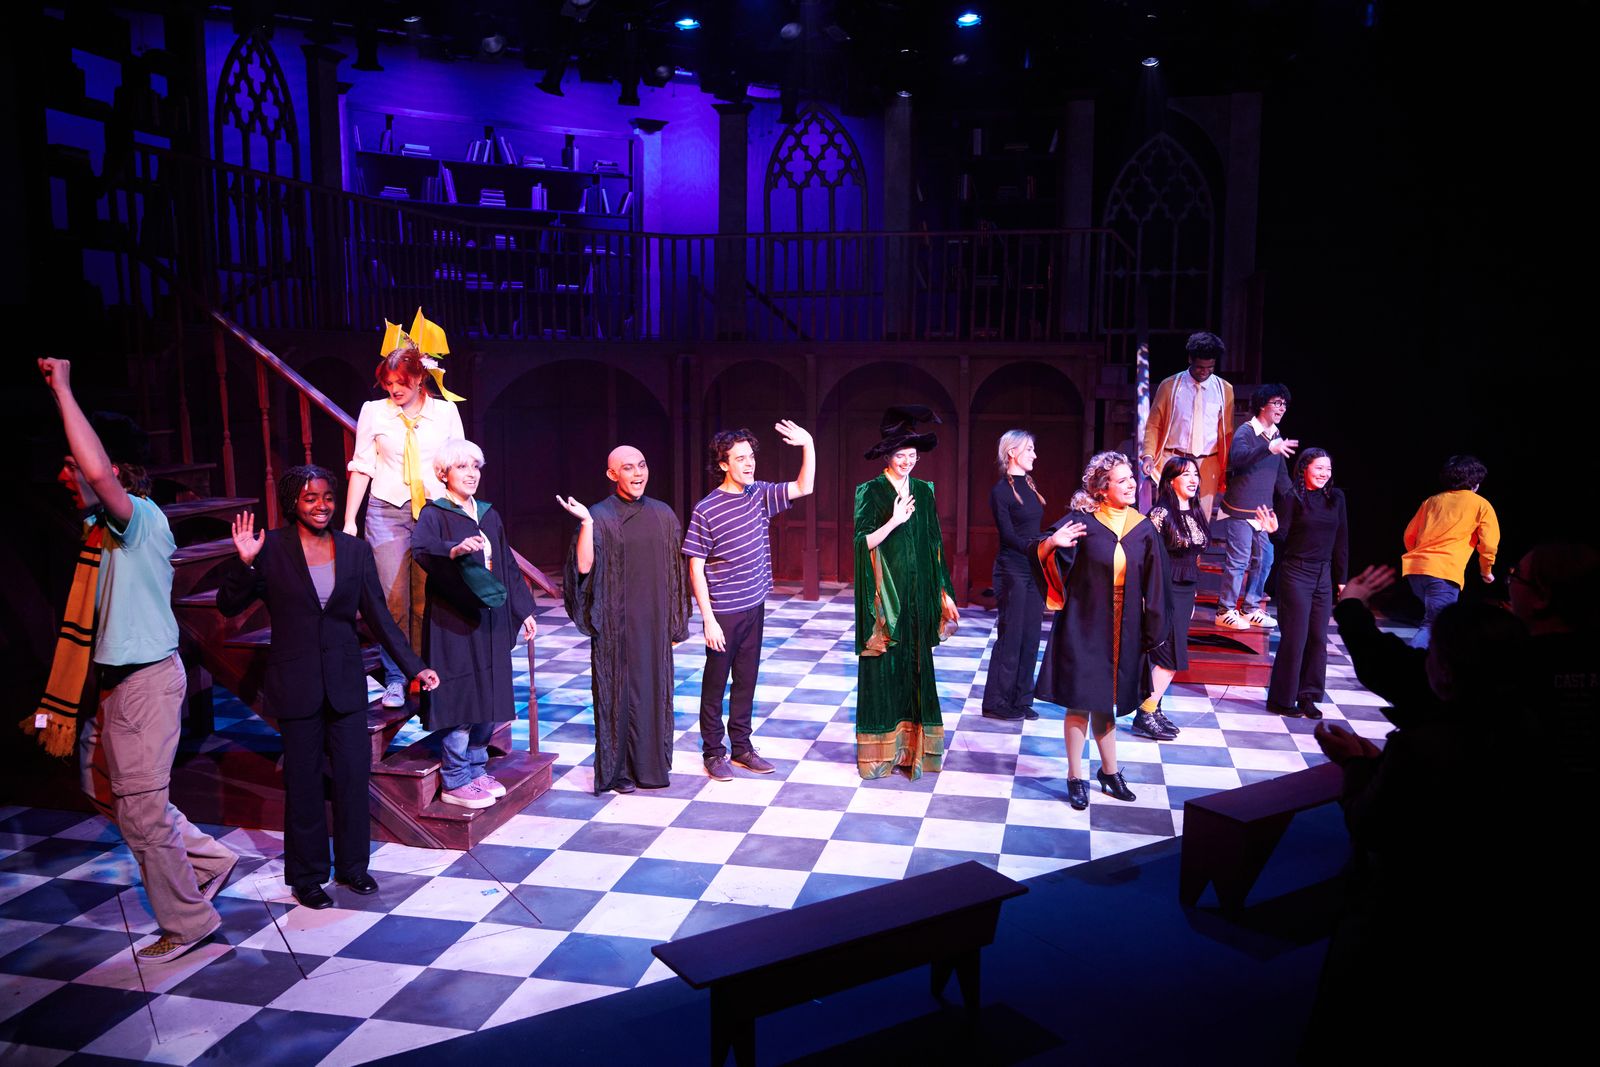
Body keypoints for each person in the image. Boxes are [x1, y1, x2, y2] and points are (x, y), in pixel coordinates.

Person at [30, 358, 238, 962]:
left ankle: (189, 922)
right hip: (115, 686)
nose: (64, 475)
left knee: (143, 813)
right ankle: (207, 859)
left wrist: (63, 390)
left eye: (71, 465)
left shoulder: (138, 519)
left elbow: (95, 468)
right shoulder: (99, 532)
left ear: (112, 471)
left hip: (145, 685)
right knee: (103, 789)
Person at [219, 466, 440, 910]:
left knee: (353, 779)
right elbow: (228, 605)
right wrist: (245, 563)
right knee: (303, 784)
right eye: (310, 498)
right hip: (296, 684)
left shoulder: (354, 550)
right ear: (292, 503)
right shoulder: (271, 548)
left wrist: (415, 667)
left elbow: (379, 617)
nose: (321, 506)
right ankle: (307, 877)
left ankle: (353, 867)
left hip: (344, 684)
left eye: (327, 497)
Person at [682, 421, 815, 781]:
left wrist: (808, 444)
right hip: (723, 612)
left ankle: (741, 747)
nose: (749, 463)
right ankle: (714, 752)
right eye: (740, 458)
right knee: (715, 684)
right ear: (723, 464)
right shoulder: (707, 509)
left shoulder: (759, 494)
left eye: (751, 456)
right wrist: (708, 619)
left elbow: (804, 486)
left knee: (746, 680)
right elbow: (695, 567)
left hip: (754, 605)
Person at [343, 315, 465, 708]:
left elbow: (460, 467)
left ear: (420, 378)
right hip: (387, 510)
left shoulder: (445, 413)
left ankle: (427, 671)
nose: (394, 389)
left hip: (434, 513)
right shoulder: (373, 411)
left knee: (427, 597)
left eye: (402, 382)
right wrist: (349, 521)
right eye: (388, 383)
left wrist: (463, 516)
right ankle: (396, 676)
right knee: (393, 596)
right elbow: (362, 465)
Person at [1036, 452, 1168, 809]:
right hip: (1084, 623)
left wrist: (1154, 629)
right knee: (1081, 700)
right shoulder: (1083, 523)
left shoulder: (1142, 528)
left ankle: (1109, 772)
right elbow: (1042, 551)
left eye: (1131, 478)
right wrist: (1052, 543)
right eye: (1121, 480)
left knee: (1106, 701)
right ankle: (1075, 776)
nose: (1131, 484)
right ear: (1101, 489)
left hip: (1124, 626)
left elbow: (1157, 584)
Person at [411, 439, 537, 809]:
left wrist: (523, 610)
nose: (471, 474)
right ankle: (455, 778)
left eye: (475, 467)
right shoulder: (434, 514)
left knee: (490, 694)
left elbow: (507, 565)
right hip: (454, 619)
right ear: (443, 474)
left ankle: (477, 768)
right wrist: (452, 551)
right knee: (462, 697)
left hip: (489, 617)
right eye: (462, 467)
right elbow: (422, 550)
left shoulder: (488, 514)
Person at [557, 446, 689, 794]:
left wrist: (676, 622)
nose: (638, 473)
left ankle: (650, 767)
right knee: (618, 694)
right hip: (617, 626)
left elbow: (676, 572)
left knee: (652, 691)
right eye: (628, 468)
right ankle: (618, 772)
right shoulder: (600, 515)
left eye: (642, 465)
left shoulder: (663, 514)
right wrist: (586, 523)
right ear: (612, 474)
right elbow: (583, 567)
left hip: (653, 623)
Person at [852, 405, 959, 780]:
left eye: (912, 455)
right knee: (884, 671)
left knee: (917, 669)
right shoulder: (870, 491)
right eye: (901, 455)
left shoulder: (924, 491)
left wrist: (944, 592)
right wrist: (894, 521)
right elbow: (861, 543)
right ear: (888, 455)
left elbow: (934, 544)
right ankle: (881, 754)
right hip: (885, 601)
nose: (907, 462)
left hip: (919, 596)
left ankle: (914, 751)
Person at [1132, 454, 1211, 741]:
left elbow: (1194, 555)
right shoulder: (1161, 513)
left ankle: (1154, 709)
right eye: (1186, 474)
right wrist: (1146, 595)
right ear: (1170, 481)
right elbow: (1143, 553)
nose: (1193, 479)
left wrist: (1192, 594)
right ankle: (1145, 713)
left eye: (1195, 474)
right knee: (1170, 656)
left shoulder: (1196, 511)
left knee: (1170, 652)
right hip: (1163, 589)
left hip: (1186, 590)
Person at [1265, 448, 1348, 718]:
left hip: (1323, 575)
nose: (1324, 474)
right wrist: (1273, 532)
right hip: (1296, 573)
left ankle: (1308, 696)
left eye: (1328, 469)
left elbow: (1341, 540)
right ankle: (1281, 699)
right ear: (1304, 469)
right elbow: (1282, 538)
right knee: (1295, 638)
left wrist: (1342, 579)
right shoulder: (1293, 497)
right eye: (1319, 468)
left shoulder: (1336, 498)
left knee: (1318, 639)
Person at [1216, 383, 1296, 630]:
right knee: (1238, 561)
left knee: (1265, 559)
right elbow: (1238, 458)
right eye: (1277, 403)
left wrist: (1297, 497)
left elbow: (1281, 475)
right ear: (1262, 405)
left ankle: (1251, 607)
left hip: (1263, 511)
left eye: (1284, 404)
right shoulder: (1247, 431)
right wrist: (1268, 447)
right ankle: (1225, 609)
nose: (1281, 408)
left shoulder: (1276, 435)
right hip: (1241, 507)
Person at [981, 430, 1049, 722]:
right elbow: (1009, 537)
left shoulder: (1029, 486)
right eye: (1029, 449)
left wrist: (1050, 540)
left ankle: (1021, 699)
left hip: (1033, 568)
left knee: (1031, 636)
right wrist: (1044, 545)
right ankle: (997, 702)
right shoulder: (1001, 491)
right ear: (1012, 452)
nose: (1035, 454)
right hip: (1012, 570)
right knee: (1011, 635)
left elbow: (1033, 532)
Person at [1400, 454, 1499, 648]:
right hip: (1444, 573)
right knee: (1434, 624)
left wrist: (1422, 558)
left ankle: (1432, 663)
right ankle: (1408, 664)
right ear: (1476, 483)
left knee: (1438, 624)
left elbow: (1409, 535)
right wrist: (1486, 571)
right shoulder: (1481, 505)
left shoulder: (1431, 501)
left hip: (1416, 571)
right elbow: (1488, 544)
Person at [1141, 331, 1236, 519]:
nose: (1205, 371)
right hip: (1174, 457)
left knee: (1201, 518)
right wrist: (1148, 455)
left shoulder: (1225, 389)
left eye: (1210, 367)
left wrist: (1227, 466)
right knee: (1168, 517)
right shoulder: (1170, 386)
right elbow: (1154, 424)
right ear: (1190, 359)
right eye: (1200, 367)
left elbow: (1228, 431)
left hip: (1208, 461)